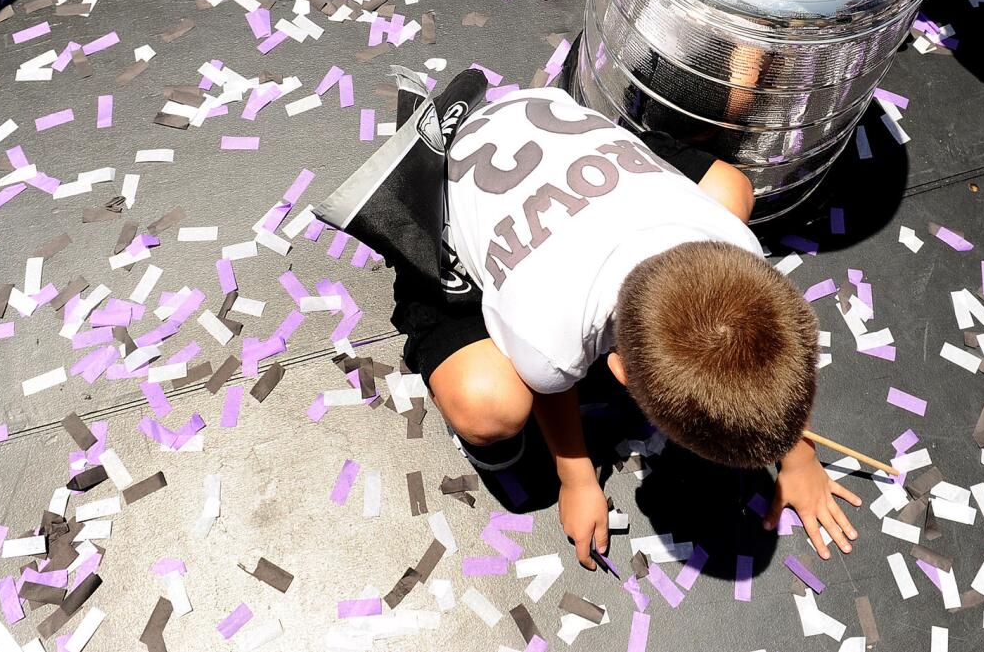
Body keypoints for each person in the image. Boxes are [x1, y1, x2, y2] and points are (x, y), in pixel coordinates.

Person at [318, 68, 863, 569]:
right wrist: (575, 476)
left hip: (553, 134)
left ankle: (634, 157)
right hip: (452, 184)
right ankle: (423, 247)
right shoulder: (549, 333)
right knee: (490, 407)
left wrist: (796, 455)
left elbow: (758, 356)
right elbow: (551, 385)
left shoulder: (732, 240)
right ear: (619, 374)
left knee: (732, 190)